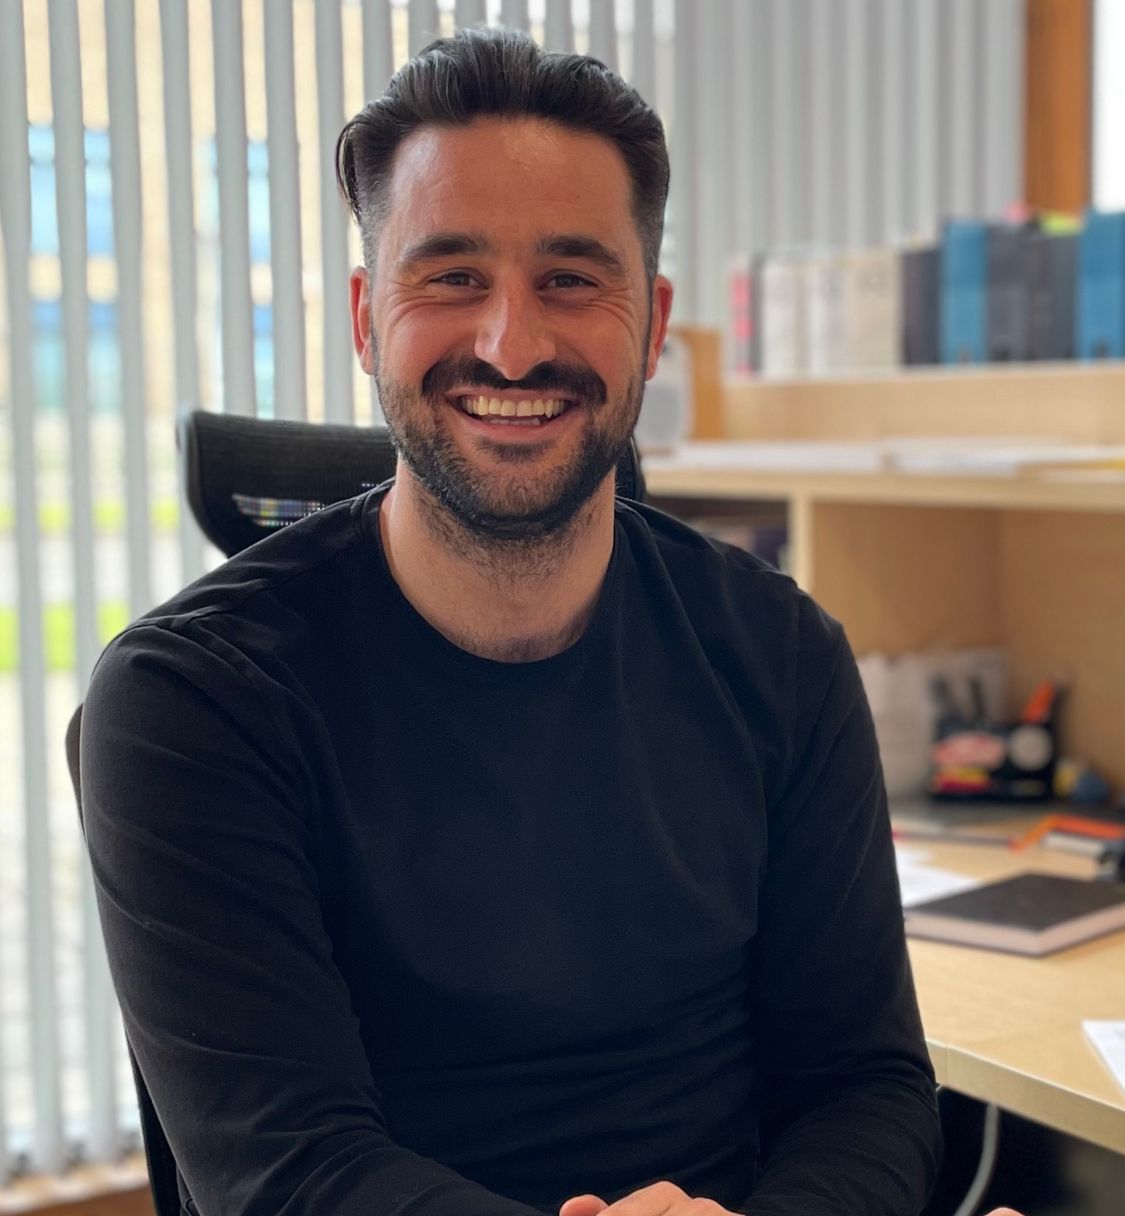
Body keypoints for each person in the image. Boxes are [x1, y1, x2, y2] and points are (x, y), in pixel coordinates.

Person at [83, 27, 987, 1216]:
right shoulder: (188, 700)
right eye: (451, 275)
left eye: (571, 276)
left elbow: (863, 1086)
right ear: (366, 318)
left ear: (653, 325)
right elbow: (287, 1170)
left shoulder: (780, 658)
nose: (511, 341)